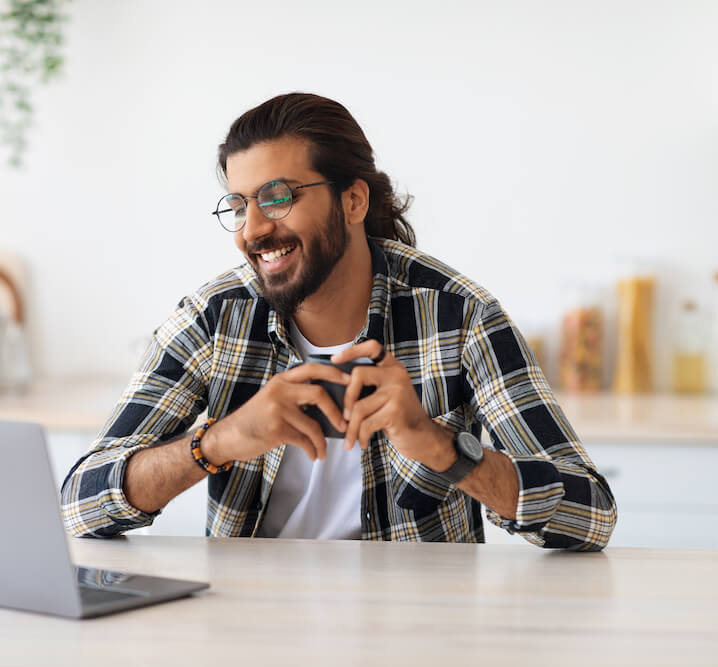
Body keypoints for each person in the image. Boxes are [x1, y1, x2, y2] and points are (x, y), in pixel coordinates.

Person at [61, 93, 616, 550]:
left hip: (415, 632)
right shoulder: (216, 318)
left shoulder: (458, 315)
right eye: (239, 204)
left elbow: (590, 516)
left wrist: (444, 449)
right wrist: (221, 440)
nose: (252, 229)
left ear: (353, 201)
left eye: (277, 197)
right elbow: (80, 504)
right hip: (247, 631)